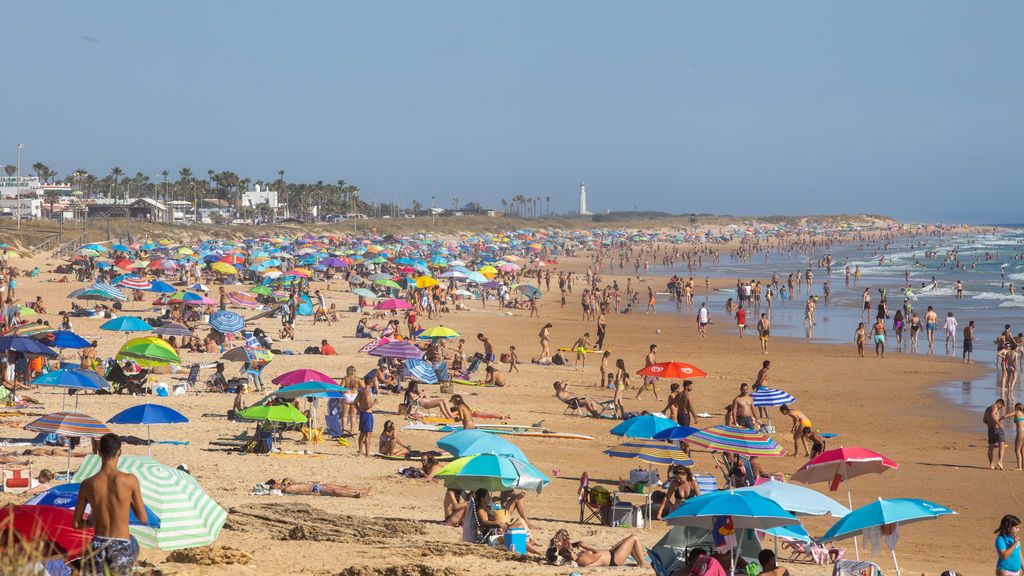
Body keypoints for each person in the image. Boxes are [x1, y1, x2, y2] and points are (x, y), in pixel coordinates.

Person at [73, 433, 147, 576]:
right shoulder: (130, 481)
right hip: (121, 546)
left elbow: (76, 524)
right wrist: (129, 501)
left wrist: (91, 522)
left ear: (99, 453)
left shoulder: (87, 484)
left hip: (97, 544)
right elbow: (143, 518)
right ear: (119, 452)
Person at [546, 529, 648, 568]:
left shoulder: (578, 556)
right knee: (634, 538)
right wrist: (585, 547)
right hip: (614, 559)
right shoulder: (581, 559)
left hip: (611, 553)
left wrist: (582, 549)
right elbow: (598, 554)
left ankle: (639, 563)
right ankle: (643, 563)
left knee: (627, 540)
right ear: (568, 551)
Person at [267, 478, 370, 498]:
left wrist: (287, 481)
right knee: (334, 491)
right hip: (315, 490)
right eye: (275, 485)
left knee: (339, 487)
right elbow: (300, 493)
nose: (278, 484)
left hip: (315, 485)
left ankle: (357, 490)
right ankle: (355, 495)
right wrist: (313, 494)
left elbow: (294, 480)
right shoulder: (286, 489)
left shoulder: (287, 484)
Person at [985, 399, 1012, 470]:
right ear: (999, 403)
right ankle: (1000, 462)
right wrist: (999, 424)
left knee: (991, 447)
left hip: (990, 430)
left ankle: (991, 464)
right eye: (1001, 407)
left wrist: (990, 423)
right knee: (1002, 445)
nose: (1000, 408)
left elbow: (984, 420)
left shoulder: (987, 408)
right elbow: (993, 415)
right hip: (997, 429)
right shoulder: (995, 407)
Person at [355, 376, 377, 457]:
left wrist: (359, 409)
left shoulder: (361, 392)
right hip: (367, 414)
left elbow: (355, 402)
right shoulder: (367, 392)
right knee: (368, 435)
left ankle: (361, 452)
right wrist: (374, 402)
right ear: (371, 383)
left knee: (362, 434)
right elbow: (368, 405)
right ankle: (367, 453)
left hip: (363, 414)